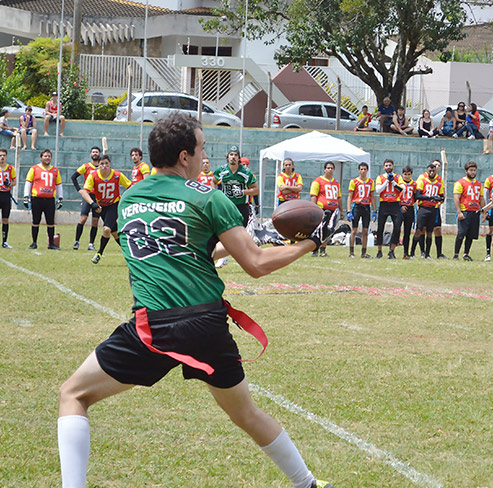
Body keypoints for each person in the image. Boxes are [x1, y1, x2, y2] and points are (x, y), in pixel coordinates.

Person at [56, 114, 334, 488]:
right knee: (246, 414)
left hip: (153, 327)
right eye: (202, 149)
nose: (206, 157)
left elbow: (170, 248)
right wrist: (310, 243)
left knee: (73, 395)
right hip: (206, 325)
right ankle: (308, 485)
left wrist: (230, 247)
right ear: (184, 156)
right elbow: (255, 264)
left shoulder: (129, 199)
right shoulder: (210, 197)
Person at [82, 155, 132, 264]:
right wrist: (92, 203)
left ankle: (99, 253)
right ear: (98, 165)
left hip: (113, 205)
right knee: (114, 233)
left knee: (106, 229)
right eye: (102, 164)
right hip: (101, 207)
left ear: (110, 164)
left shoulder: (117, 175)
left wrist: (126, 200)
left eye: (106, 163)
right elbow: (84, 191)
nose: (104, 166)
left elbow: (130, 186)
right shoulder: (93, 176)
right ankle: (130, 252)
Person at [24, 149, 64, 250]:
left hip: (50, 200)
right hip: (37, 199)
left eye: (49, 156)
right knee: (35, 221)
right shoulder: (34, 169)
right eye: (45, 156)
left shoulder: (55, 170)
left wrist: (60, 198)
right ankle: (34, 243)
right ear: (41, 157)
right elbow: (28, 182)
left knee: (51, 222)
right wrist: (26, 196)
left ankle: (51, 243)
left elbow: (59, 185)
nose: (47, 158)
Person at [213, 145, 259, 228]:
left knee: (241, 231)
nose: (233, 157)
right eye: (231, 154)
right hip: (227, 205)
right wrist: (216, 194)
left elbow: (256, 190)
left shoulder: (246, 172)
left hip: (241, 206)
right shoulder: (221, 170)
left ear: (239, 158)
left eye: (235, 155)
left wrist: (243, 192)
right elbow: (214, 181)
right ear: (227, 157)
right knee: (225, 230)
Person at [72, 147, 103, 250]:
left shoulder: (102, 167)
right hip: (87, 196)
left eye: (97, 152)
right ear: (90, 154)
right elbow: (73, 176)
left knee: (95, 221)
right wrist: (79, 190)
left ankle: (91, 244)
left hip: (98, 197)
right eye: (93, 152)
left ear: (99, 154)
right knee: (83, 218)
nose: (95, 154)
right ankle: (76, 241)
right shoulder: (86, 166)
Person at [412, 162, 444, 259]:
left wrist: (439, 199)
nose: (431, 172)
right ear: (427, 171)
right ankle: (412, 252)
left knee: (430, 232)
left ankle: (427, 254)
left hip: (433, 209)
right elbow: (417, 196)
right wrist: (429, 198)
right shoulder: (423, 181)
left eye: (433, 171)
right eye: (430, 171)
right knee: (419, 230)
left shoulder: (438, 183)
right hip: (423, 208)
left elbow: (442, 197)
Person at [309, 161, 341, 257]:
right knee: (319, 229)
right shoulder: (318, 181)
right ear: (324, 169)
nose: (330, 170)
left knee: (329, 230)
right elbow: (314, 195)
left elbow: (339, 197)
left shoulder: (336, 182)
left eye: (331, 168)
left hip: (333, 210)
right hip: (322, 209)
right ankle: (315, 249)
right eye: (328, 168)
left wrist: (341, 210)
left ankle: (323, 249)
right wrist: (314, 208)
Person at [452, 161, 483, 261]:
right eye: (471, 170)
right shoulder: (460, 183)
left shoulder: (478, 184)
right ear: (466, 171)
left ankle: (466, 254)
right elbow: (456, 197)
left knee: (471, 235)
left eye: (474, 170)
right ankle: (456, 254)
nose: (473, 172)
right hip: (465, 211)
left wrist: (484, 211)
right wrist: (459, 212)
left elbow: (481, 198)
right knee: (461, 233)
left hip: (475, 212)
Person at [374, 159, 403, 259]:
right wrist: (387, 181)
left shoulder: (398, 177)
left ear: (393, 166)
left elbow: (402, 189)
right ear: (384, 167)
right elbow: (378, 190)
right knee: (380, 228)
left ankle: (392, 251)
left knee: (397, 227)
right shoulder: (380, 177)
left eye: (390, 165)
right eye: (386, 165)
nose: (388, 167)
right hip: (384, 204)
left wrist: (393, 182)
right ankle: (379, 251)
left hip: (395, 204)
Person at [346, 162, 375, 258]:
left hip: (366, 207)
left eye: (365, 169)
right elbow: (350, 196)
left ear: (367, 170)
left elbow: (372, 196)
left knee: (365, 231)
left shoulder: (371, 182)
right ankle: (351, 252)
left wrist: (374, 210)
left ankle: (364, 252)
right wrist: (349, 210)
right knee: (354, 230)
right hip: (357, 206)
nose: (363, 171)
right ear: (359, 170)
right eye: (361, 169)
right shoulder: (354, 181)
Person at [397, 165, 416, 258]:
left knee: (407, 232)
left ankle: (406, 253)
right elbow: (396, 196)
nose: (407, 176)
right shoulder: (399, 183)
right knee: (397, 229)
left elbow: (415, 196)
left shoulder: (414, 184)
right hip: (400, 208)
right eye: (405, 174)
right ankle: (391, 251)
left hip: (410, 208)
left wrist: (410, 203)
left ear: (411, 174)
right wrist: (400, 206)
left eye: (409, 174)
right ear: (402, 174)